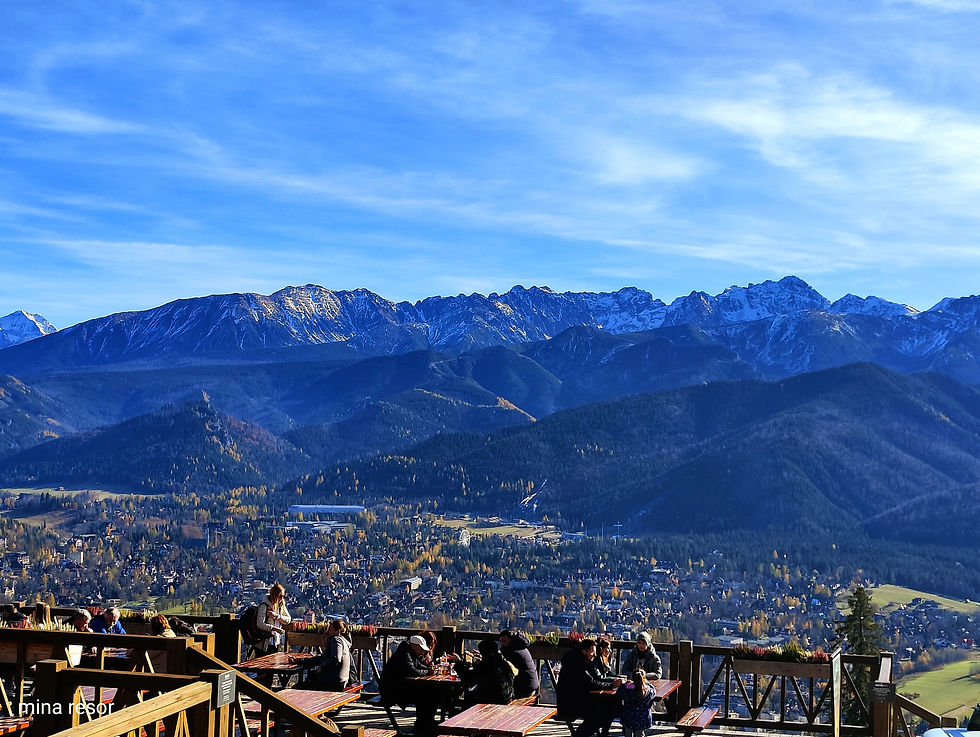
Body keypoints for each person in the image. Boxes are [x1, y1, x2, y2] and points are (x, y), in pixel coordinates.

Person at [557, 638, 624, 737]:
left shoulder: (577, 660)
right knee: (602, 712)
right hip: (570, 704)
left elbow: (590, 682)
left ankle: (601, 734)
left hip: (571, 699)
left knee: (609, 705)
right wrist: (612, 685)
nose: (595, 655)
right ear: (584, 651)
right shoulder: (578, 665)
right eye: (592, 652)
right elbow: (591, 683)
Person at [379, 634, 437, 737]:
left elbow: (418, 665)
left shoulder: (409, 652)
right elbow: (412, 670)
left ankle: (424, 724)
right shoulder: (404, 654)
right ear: (414, 646)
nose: (422, 652)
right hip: (391, 691)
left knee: (430, 693)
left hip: (396, 688)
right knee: (427, 696)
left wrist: (429, 669)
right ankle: (424, 726)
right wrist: (428, 672)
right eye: (421, 649)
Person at [450, 638, 515, 706]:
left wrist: (458, 662)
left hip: (492, 701)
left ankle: (455, 712)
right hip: (506, 699)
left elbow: (468, 677)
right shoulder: (503, 663)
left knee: (469, 696)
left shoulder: (487, 665)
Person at [309, 619, 352, 691]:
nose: (328, 631)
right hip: (342, 679)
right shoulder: (344, 641)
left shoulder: (336, 640)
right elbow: (324, 658)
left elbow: (335, 658)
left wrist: (322, 667)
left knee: (301, 686)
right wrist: (301, 660)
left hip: (333, 681)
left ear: (337, 631)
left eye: (330, 629)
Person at [499, 629, 539, 699]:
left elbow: (502, 666)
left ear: (510, 640)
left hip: (525, 689)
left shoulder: (512, 652)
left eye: (504, 641)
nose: (502, 644)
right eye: (501, 641)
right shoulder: (520, 647)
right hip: (531, 685)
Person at [617, 669, 656, 737]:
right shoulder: (647, 689)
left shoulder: (628, 687)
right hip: (642, 718)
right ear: (644, 678)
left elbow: (619, 693)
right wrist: (648, 683)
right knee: (640, 734)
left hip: (628, 716)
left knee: (628, 733)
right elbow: (654, 692)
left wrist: (625, 683)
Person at [255, 583, 291, 654]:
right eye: (281, 596)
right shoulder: (264, 606)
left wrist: (277, 616)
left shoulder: (281, 606)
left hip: (275, 642)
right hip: (264, 644)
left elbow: (288, 620)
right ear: (275, 595)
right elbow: (260, 624)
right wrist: (274, 628)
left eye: (283, 596)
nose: (282, 598)